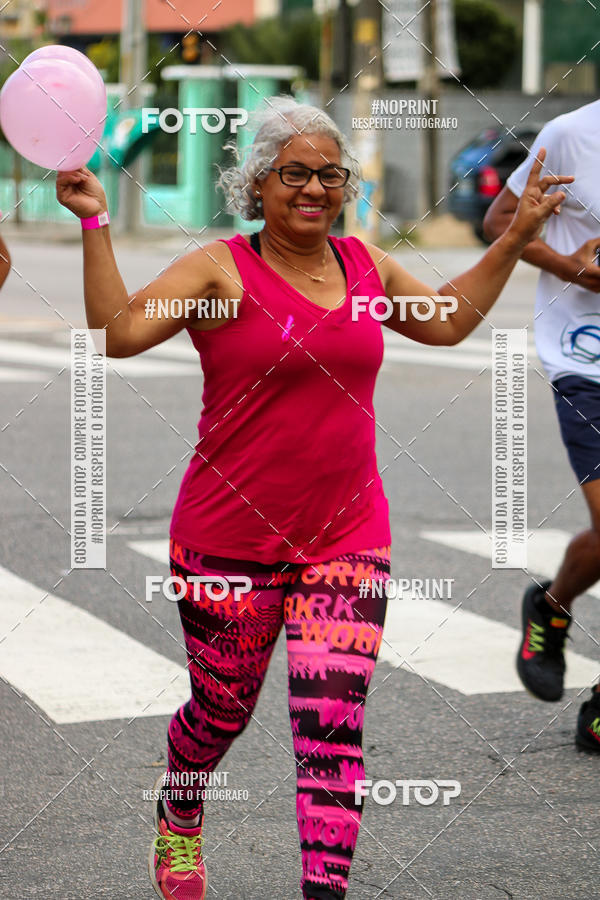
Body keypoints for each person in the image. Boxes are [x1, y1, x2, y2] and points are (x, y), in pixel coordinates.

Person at [56, 97, 570, 900]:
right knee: (220, 711)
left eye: (330, 175)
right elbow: (116, 332)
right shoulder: (220, 270)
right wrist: (94, 224)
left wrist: (512, 239)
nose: (315, 189)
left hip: (347, 536)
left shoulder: (369, 269)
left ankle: (323, 891)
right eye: (295, 173)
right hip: (227, 539)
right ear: (257, 183)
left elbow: (445, 323)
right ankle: (181, 814)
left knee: (332, 730)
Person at [484, 100, 600, 754]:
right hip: (586, 357)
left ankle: (551, 612)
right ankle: (552, 610)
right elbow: (501, 221)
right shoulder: (571, 136)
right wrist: (570, 266)